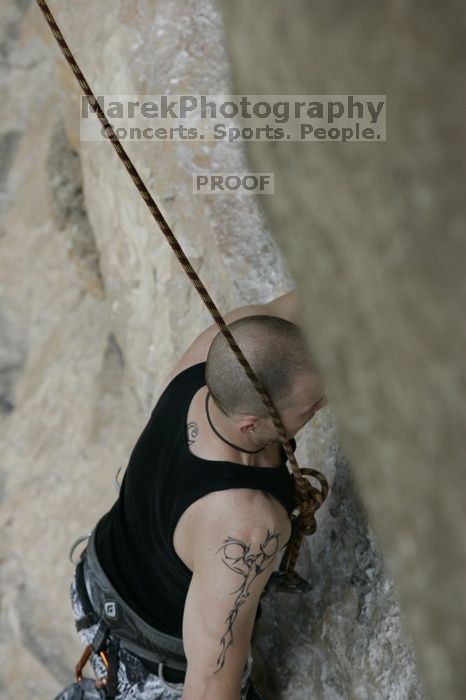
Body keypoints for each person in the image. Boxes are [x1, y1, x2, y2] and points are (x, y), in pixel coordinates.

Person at [57, 290, 327, 700]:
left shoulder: (213, 357)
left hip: (97, 579)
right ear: (251, 424)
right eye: (309, 408)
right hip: (157, 666)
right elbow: (210, 684)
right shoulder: (244, 524)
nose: (323, 404)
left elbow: (320, 295)